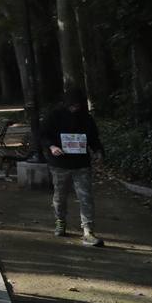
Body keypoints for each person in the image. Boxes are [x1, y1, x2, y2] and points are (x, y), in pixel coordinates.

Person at [44, 88, 105, 246]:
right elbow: (43, 134)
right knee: (60, 196)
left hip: (81, 163)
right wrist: (52, 147)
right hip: (60, 163)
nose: (75, 109)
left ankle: (88, 229)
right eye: (72, 105)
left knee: (85, 196)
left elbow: (93, 137)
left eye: (77, 105)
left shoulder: (86, 118)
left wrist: (97, 151)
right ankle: (60, 221)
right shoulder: (54, 116)